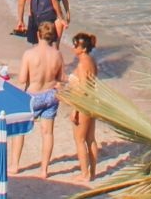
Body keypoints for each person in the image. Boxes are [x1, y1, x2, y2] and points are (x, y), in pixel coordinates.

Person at [19, 21, 66, 178]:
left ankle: (14, 165)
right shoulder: (57, 54)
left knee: (20, 130)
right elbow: (61, 77)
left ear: (38, 35)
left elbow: (22, 79)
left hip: (33, 94)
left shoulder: (29, 54)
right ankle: (44, 170)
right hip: (51, 94)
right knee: (47, 133)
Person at [68, 32, 101, 182]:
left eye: (76, 45)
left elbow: (82, 89)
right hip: (92, 102)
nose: (73, 48)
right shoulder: (92, 61)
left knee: (79, 140)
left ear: (83, 48)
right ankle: (92, 173)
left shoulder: (82, 64)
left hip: (83, 104)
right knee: (90, 139)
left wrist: (75, 109)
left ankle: (84, 174)